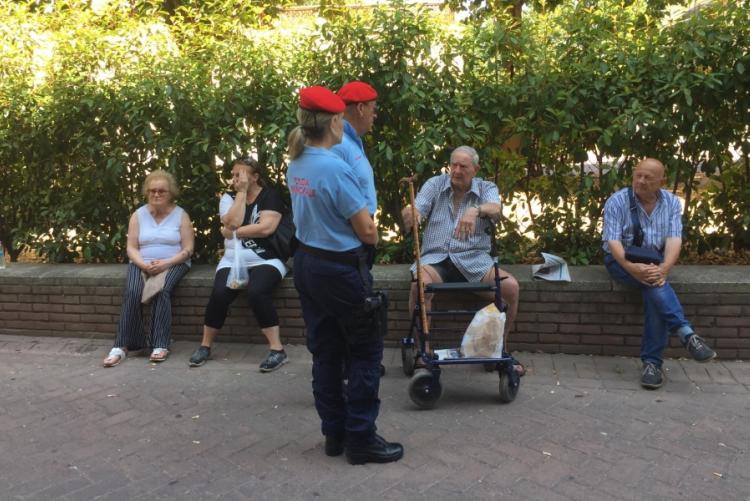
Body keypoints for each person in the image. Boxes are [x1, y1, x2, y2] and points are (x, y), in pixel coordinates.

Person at [287, 85, 403, 465]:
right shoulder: (335, 167)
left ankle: (334, 434)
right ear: (335, 121)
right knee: (366, 351)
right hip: (339, 268)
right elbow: (366, 229)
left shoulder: (297, 162)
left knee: (326, 351)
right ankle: (361, 438)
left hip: (307, 263)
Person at [401, 145, 522, 371]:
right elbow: (419, 207)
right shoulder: (435, 184)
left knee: (511, 288)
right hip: (436, 259)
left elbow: (496, 208)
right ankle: (423, 351)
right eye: (453, 165)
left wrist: (475, 210)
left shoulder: (486, 188)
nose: (456, 170)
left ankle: (498, 349)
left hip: (473, 260)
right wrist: (411, 213)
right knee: (420, 286)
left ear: (475, 169)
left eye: (463, 166)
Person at [602, 157, 716, 389]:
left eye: (648, 178)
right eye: (638, 175)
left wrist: (663, 269)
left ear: (661, 181)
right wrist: (632, 268)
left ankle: (653, 364)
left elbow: (675, 240)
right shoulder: (617, 201)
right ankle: (684, 335)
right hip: (621, 260)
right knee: (654, 284)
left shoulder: (672, 203)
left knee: (653, 285)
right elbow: (612, 242)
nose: (641, 181)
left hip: (655, 262)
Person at [188, 158, 289, 372]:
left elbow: (266, 229)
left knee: (257, 292)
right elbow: (233, 221)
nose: (236, 179)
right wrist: (241, 194)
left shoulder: (270, 196)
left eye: (241, 175)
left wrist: (233, 233)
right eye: (234, 175)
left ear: (255, 176)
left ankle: (277, 350)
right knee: (219, 294)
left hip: (266, 259)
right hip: (232, 259)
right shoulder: (229, 197)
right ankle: (205, 346)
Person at [103, 170, 194, 367]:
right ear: (147, 192)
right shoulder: (138, 215)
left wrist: (166, 263)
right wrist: (143, 264)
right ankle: (122, 346)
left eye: (162, 191)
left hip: (174, 262)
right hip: (142, 262)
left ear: (171, 193)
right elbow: (131, 247)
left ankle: (160, 344)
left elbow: (188, 249)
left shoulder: (181, 215)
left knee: (162, 290)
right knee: (133, 292)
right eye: (152, 190)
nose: (157, 194)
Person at [332, 81, 378, 217]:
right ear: (360, 108)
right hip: (352, 228)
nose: (375, 115)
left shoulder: (351, 140)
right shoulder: (338, 143)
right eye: (374, 109)